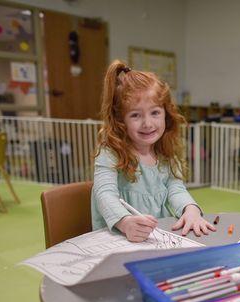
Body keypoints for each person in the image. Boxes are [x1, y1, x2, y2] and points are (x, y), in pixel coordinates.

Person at [91, 60, 215, 242]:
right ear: (120, 120)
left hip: (154, 239)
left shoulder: (166, 151)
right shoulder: (110, 151)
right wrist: (125, 222)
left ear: (166, 112)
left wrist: (191, 209)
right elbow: (104, 194)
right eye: (135, 115)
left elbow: (175, 188)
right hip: (116, 238)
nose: (147, 123)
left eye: (155, 113)